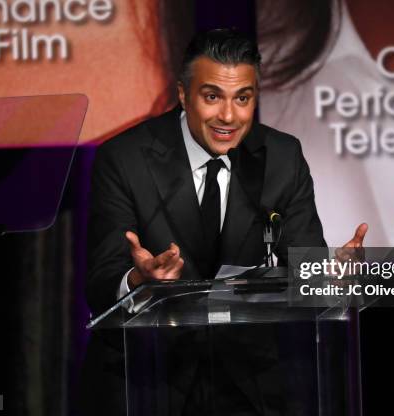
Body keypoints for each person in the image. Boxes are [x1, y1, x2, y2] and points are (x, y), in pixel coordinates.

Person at [81, 28, 367, 416]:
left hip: (249, 388)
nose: (229, 116)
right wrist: (138, 282)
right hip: (147, 381)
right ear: (183, 94)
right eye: (212, 96)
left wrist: (329, 274)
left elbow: (304, 267)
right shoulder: (125, 158)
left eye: (243, 98)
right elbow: (100, 282)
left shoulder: (281, 157)